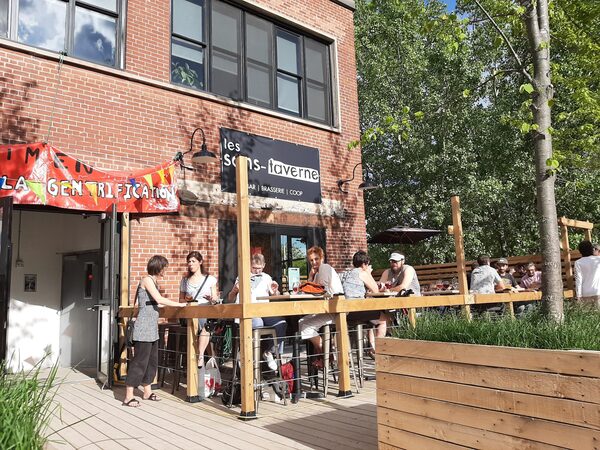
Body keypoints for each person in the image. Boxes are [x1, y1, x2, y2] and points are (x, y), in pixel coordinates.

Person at [123, 255, 185, 407]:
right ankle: (128, 396)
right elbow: (159, 299)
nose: (166, 270)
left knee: (151, 362)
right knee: (139, 362)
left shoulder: (153, 282)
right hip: (143, 328)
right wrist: (180, 305)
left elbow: (152, 303)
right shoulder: (147, 280)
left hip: (152, 329)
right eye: (164, 267)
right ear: (158, 267)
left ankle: (147, 392)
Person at [226, 253, 287, 370]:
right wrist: (234, 290)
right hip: (248, 313)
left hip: (264, 312)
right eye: (254, 268)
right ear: (250, 265)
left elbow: (275, 295)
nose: (257, 271)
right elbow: (230, 298)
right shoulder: (242, 277)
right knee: (258, 323)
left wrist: (275, 291)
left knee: (281, 323)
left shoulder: (267, 277)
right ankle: (248, 355)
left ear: (264, 265)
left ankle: (269, 352)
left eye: (260, 268)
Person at [298, 246, 343, 367]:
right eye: (311, 260)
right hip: (326, 308)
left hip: (335, 309)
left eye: (316, 259)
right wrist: (311, 277)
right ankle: (324, 355)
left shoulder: (325, 267)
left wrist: (310, 280)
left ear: (322, 258)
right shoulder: (317, 273)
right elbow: (311, 290)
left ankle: (327, 356)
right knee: (301, 322)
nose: (314, 262)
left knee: (306, 326)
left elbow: (321, 290)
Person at [343, 251, 392, 358]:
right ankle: (379, 352)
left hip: (345, 312)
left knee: (373, 318)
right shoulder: (363, 272)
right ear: (365, 263)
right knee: (383, 320)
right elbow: (376, 291)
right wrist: (368, 273)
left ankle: (372, 348)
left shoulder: (348, 273)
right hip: (356, 310)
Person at [179, 251, 218, 368]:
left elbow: (215, 299)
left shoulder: (210, 279)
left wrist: (211, 298)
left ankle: (200, 356)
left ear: (200, 262)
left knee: (205, 324)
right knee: (205, 326)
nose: (190, 264)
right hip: (191, 311)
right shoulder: (185, 281)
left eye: (193, 261)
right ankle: (208, 356)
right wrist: (187, 300)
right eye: (189, 262)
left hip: (206, 310)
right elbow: (180, 299)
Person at [574, 240, 600, 308]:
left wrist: (578, 296)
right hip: (598, 291)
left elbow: (578, 280)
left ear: (580, 251)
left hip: (585, 293)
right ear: (591, 249)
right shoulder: (598, 260)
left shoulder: (578, 262)